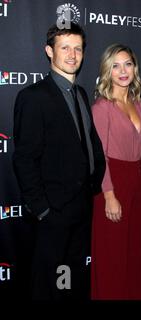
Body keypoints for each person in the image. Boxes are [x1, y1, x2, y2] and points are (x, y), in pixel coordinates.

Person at [13, 23, 105, 300]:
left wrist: (94, 182)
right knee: (48, 284)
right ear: (49, 51)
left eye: (77, 48)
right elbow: (24, 159)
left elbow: (88, 144)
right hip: (52, 212)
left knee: (71, 279)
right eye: (65, 47)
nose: (72, 54)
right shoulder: (33, 97)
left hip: (80, 206)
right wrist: (43, 209)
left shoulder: (80, 94)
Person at [90, 44, 141, 300]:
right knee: (113, 256)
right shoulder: (101, 107)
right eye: (115, 65)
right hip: (113, 184)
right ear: (107, 70)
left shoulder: (138, 103)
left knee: (137, 253)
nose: (123, 70)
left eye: (128, 64)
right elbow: (100, 157)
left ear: (135, 68)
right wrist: (108, 195)